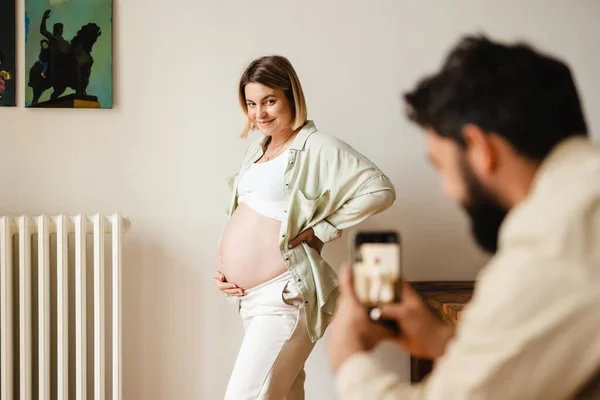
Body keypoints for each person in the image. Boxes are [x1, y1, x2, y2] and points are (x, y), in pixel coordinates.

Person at [328, 34, 600, 399]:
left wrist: (349, 359)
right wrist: (445, 341)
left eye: (440, 166)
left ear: (481, 148)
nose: (448, 192)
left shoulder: (553, 245)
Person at [215, 55, 395, 399]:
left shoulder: (316, 146)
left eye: (270, 101)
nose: (260, 113)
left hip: (284, 296)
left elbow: (380, 190)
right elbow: (249, 215)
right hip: (251, 301)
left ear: (291, 97)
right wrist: (226, 269)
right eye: (251, 104)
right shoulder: (256, 150)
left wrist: (321, 230)